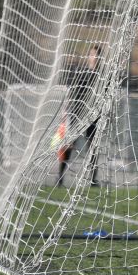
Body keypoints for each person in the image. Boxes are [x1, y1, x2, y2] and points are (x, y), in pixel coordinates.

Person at [58, 46, 103, 187]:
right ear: (89, 56)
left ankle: (93, 180)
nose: (94, 57)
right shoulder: (82, 73)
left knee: (93, 148)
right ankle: (60, 178)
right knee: (69, 146)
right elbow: (74, 94)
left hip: (93, 117)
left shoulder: (102, 77)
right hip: (78, 114)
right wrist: (68, 112)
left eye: (97, 55)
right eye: (92, 54)